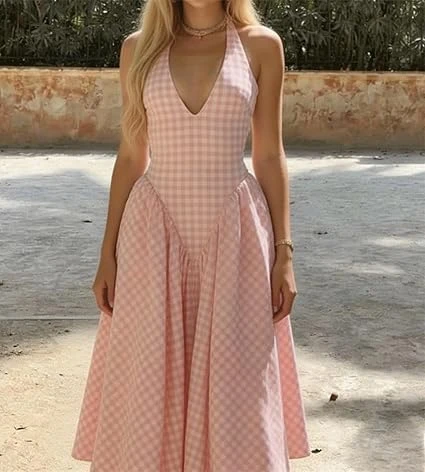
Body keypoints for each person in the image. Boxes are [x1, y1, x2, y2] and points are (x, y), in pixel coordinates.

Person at [71, 0, 310, 470]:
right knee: (150, 373)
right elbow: (131, 155)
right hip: (152, 235)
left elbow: (269, 155)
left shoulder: (262, 47)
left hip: (236, 237)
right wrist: (107, 251)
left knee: (238, 380)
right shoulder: (138, 49)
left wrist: (284, 251)